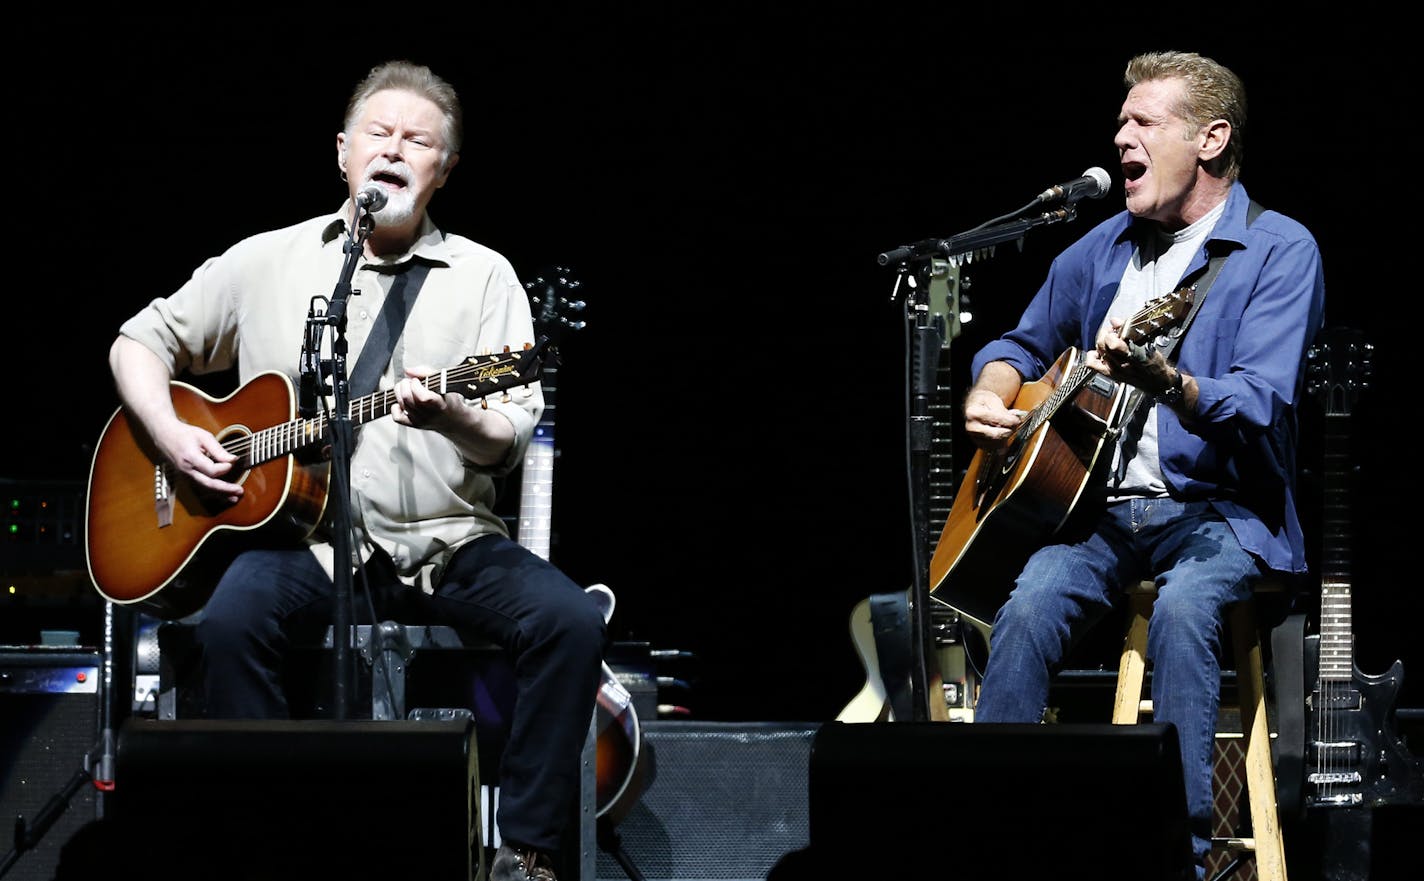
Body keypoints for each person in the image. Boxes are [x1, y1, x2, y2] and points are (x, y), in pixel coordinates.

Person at [106, 59, 603, 881]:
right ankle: (270, 838)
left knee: (571, 621)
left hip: (448, 540)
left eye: (419, 140)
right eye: (380, 133)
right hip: (314, 543)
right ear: (344, 152)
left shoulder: (486, 276)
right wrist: (169, 432)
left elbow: (509, 435)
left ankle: (526, 850)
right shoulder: (269, 259)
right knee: (231, 623)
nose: (395, 149)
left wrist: (452, 410)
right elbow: (137, 341)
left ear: (443, 169)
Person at [961, 50, 1325, 875]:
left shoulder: (1278, 250)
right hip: (1103, 514)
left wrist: (1168, 379)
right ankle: (982, 829)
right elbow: (1018, 342)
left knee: (1184, 612)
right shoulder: (1103, 249)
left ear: (1210, 139)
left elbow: (1262, 399)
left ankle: (1179, 852)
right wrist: (993, 389)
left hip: (1223, 514)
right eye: (1121, 121)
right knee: (1022, 613)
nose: (1119, 136)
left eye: (1142, 122)